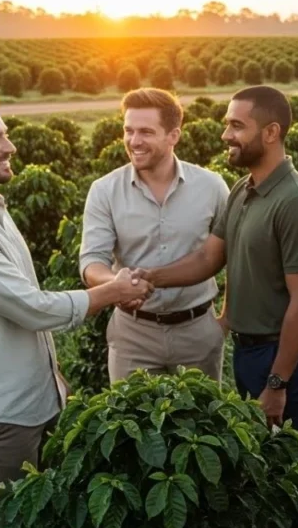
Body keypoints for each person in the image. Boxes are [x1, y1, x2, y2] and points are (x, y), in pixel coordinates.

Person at [0, 89, 153, 528]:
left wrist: (55, 379)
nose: (10, 146)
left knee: (44, 525)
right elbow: (30, 307)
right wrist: (112, 290)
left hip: (35, 401)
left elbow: (19, 306)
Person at [133, 85, 298, 528]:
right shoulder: (244, 189)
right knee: (266, 468)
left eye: (237, 125)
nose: (226, 134)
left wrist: (277, 385)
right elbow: (208, 260)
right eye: (227, 123)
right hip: (248, 351)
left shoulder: (295, 202)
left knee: (292, 473)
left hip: (280, 358)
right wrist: (147, 278)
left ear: (272, 132)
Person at [78, 88, 230, 383]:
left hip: (197, 329)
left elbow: (234, 256)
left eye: (146, 132)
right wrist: (118, 284)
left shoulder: (212, 187)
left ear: (174, 135)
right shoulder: (104, 190)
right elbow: (91, 262)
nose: (134, 141)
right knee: (132, 423)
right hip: (133, 334)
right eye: (128, 130)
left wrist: (226, 320)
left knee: (200, 424)